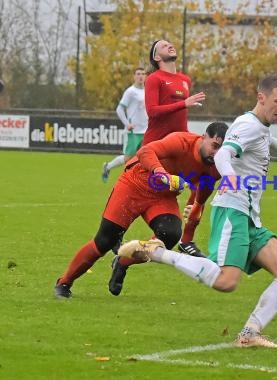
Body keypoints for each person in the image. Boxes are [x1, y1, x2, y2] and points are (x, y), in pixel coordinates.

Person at [117, 74, 277, 348]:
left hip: (249, 217)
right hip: (232, 212)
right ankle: (155, 252)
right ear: (261, 97)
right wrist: (228, 176)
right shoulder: (246, 126)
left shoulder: (261, 128)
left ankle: (249, 335)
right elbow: (224, 154)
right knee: (227, 281)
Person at [53, 122, 228, 299]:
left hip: (162, 197)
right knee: (104, 241)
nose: (216, 153)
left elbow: (206, 185)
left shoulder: (216, 165)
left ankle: (122, 261)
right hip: (134, 184)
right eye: (214, 146)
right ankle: (64, 282)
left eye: (221, 149)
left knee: (169, 236)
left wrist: (197, 207)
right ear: (203, 137)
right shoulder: (181, 142)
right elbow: (145, 152)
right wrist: (162, 174)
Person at [145, 39, 208, 256]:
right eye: (163, 46)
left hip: (179, 148)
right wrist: (184, 103)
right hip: (157, 149)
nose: (170, 46)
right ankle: (117, 235)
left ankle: (186, 240)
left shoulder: (184, 79)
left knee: (203, 183)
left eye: (170, 44)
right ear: (156, 57)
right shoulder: (154, 79)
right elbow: (152, 111)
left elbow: (180, 117)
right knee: (148, 197)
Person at [102, 67, 148, 183]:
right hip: (133, 131)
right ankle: (108, 167)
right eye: (138, 74)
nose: (141, 76)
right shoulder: (130, 91)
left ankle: (140, 181)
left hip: (146, 130)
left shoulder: (148, 90)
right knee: (128, 158)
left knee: (146, 156)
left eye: (143, 74)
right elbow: (119, 109)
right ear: (134, 76)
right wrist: (127, 124)